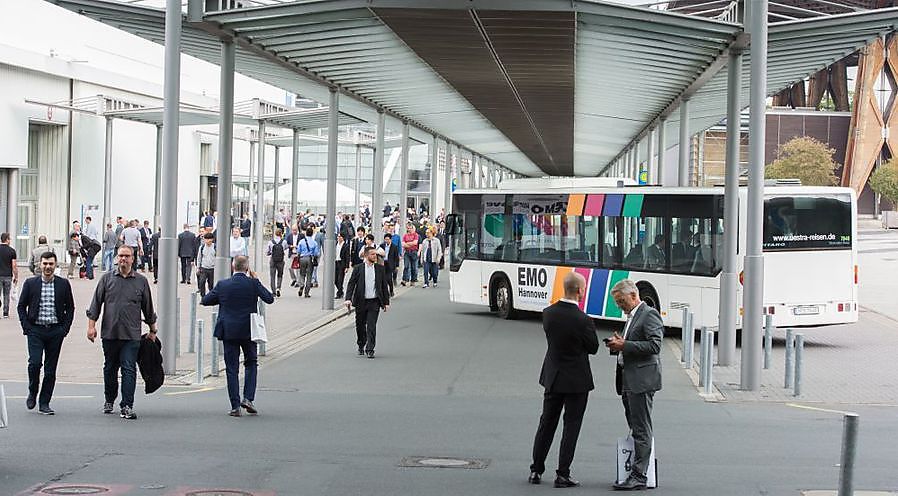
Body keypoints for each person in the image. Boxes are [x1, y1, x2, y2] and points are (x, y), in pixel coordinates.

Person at [528, 272, 597, 488]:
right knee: (571, 426)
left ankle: (536, 470)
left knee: (546, 423)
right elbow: (593, 347)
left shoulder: (548, 313)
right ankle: (562, 474)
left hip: (553, 376)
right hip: (577, 380)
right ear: (579, 291)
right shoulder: (583, 320)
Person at [86, 245, 157, 420]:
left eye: (127, 256)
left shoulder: (141, 281)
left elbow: (148, 308)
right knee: (110, 368)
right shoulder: (107, 279)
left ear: (133, 259)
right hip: (110, 333)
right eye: (120, 256)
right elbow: (95, 304)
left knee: (129, 369)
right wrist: (91, 327)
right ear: (117, 258)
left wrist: (152, 330)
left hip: (131, 335)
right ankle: (109, 399)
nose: (123, 259)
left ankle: (127, 405)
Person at [605, 279, 663, 491]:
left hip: (641, 380)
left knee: (641, 428)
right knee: (636, 426)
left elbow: (655, 345)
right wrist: (618, 345)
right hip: (630, 379)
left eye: (621, 301)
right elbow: (635, 344)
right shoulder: (633, 316)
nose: (620, 306)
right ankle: (639, 471)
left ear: (633, 295)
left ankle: (639, 474)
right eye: (617, 302)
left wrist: (625, 345)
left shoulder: (649, 314)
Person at [201, 255, 274, 417]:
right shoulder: (253, 284)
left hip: (229, 331)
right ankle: (248, 398)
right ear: (247, 268)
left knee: (231, 369)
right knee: (251, 363)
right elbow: (269, 299)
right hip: (249, 330)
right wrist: (256, 280)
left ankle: (235, 406)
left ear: (233, 267)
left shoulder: (223, 285)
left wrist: (222, 299)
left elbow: (206, 300)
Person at [16, 251, 75, 415]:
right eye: (45, 264)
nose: (48, 267)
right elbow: (21, 306)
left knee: (50, 370)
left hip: (55, 331)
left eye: (51, 264)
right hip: (35, 330)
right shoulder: (31, 283)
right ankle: (33, 391)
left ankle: (44, 402)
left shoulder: (63, 284)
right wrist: (27, 327)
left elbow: (70, 308)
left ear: (55, 265)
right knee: (34, 363)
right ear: (39, 265)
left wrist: (64, 329)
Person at [344, 246, 390, 359]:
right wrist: (348, 298)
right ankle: (361, 344)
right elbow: (351, 284)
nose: (375, 256)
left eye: (375, 254)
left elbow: (384, 286)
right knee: (360, 326)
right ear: (366, 256)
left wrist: (386, 302)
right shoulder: (358, 268)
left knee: (371, 326)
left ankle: (370, 349)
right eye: (372, 254)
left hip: (374, 302)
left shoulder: (380, 269)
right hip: (361, 301)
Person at [296, 227, 320, 298]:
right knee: (309, 276)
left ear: (306, 233)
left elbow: (298, 251)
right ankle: (306, 293)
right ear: (312, 234)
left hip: (302, 259)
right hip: (310, 259)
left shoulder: (301, 241)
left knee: (302, 274)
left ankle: (301, 285)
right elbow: (316, 253)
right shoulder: (314, 243)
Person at [267, 229, 287, 298]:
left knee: (272, 276)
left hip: (273, 260)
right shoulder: (284, 241)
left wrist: (270, 252)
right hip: (281, 260)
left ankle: (274, 292)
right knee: (280, 275)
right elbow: (285, 248)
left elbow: (267, 252)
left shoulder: (271, 242)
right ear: (281, 233)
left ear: (275, 233)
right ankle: (278, 288)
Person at [196, 233, 216, 297]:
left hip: (212, 268)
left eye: (208, 240)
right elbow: (199, 258)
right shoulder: (202, 247)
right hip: (204, 268)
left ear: (212, 239)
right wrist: (198, 267)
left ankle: (211, 297)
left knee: (211, 284)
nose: (207, 241)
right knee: (202, 282)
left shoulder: (215, 247)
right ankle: (203, 297)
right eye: (205, 239)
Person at [334, 232, 350, 299]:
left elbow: (347, 256)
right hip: (336, 262)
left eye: (340, 236)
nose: (338, 238)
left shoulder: (346, 246)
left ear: (343, 238)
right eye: (338, 236)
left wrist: (347, 266)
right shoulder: (335, 244)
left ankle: (339, 293)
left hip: (342, 263)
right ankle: (341, 290)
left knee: (340, 279)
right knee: (335, 279)